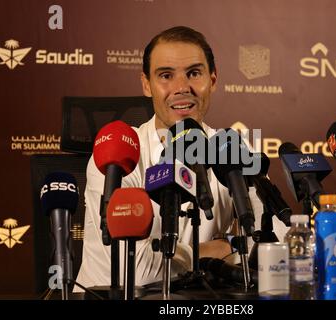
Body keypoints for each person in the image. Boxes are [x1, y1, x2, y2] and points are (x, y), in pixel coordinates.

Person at [75, 26, 288, 290]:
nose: (181, 88)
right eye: (166, 75)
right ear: (146, 84)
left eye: (194, 73)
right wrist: (223, 248)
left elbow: (275, 240)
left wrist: (194, 253)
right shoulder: (118, 153)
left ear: (212, 80)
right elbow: (134, 270)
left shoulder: (232, 147)